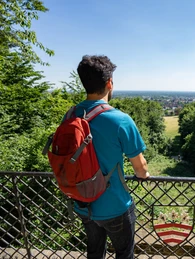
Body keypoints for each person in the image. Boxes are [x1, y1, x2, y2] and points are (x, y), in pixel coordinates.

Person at [73, 55, 150, 259]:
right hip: (115, 205)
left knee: (94, 252)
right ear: (109, 83)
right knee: (124, 253)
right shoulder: (120, 120)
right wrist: (145, 174)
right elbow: (140, 168)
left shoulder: (71, 115)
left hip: (83, 202)